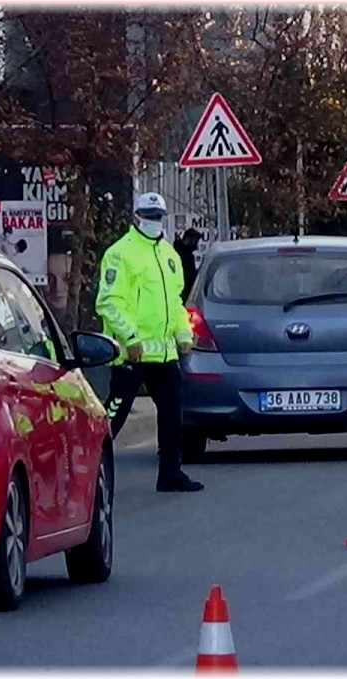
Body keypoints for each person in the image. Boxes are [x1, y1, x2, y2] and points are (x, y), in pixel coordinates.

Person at [96, 192, 204, 493]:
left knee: (173, 414)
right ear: (136, 217)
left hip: (165, 353)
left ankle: (170, 473)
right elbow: (108, 302)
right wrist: (129, 338)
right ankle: (89, 475)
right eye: (148, 216)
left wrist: (183, 335)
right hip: (132, 355)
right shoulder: (120, 253)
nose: (154, 222)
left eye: (158, 217)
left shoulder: (169, 255)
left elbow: (175, 302)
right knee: (114, 416)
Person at [173, 227, 204, 302]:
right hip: (182, 294)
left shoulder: (187, 253)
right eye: (195, 241)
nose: (196, 244)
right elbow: (188, 275)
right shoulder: (181, 253)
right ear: (189, 239)